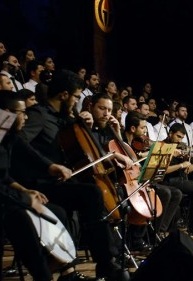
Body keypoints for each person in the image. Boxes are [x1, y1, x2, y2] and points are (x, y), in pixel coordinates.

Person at [9, 70, 127, 280]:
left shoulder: (65, 119)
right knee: (90, 194)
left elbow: (81, 150)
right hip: (38, 182)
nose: (76, 102)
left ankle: (106, 262)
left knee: (90, 194)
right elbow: (19, 145)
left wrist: (85, 126)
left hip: (58, 182)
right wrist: (48, 165)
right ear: (64, 95)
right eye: (75, 97)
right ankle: (104, 262)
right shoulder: (39, 115)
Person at [0, 90, 95, 281]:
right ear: (4, 113)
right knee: (21, 218)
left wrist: (25, 190)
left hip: (8, 196)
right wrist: (26, 200)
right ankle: (43, 274)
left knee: (56, 211)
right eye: (21, 112)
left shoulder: (9, 139)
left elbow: (4, 177)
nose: (26, 116)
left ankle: (64, 268)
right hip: (4, 202)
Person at [122, 111, 182, 248]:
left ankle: (158, 231)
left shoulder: (138, 143)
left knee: (176, 193)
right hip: (130, 181)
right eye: (143, 128)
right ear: (132, 129)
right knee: (164, 193)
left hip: (142, 179)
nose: (145, 132)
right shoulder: (123, 143)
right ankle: (143, 235)